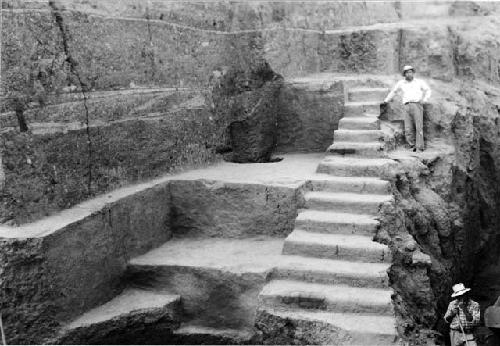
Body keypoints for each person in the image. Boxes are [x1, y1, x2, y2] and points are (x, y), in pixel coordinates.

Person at [383, 65, 431, 152]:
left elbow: (428, 90)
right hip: (406, 106)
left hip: (417, 105)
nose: (409, 74)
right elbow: (394, 91)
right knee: (408, 127)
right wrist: (386, 100)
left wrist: (425, 99)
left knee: (418, 127)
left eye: (411, 72)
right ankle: (411, 145)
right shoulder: (401, 83)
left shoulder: (419, 82)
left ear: (413, 73)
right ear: (404, 74)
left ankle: (419, 147)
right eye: (407, 72)